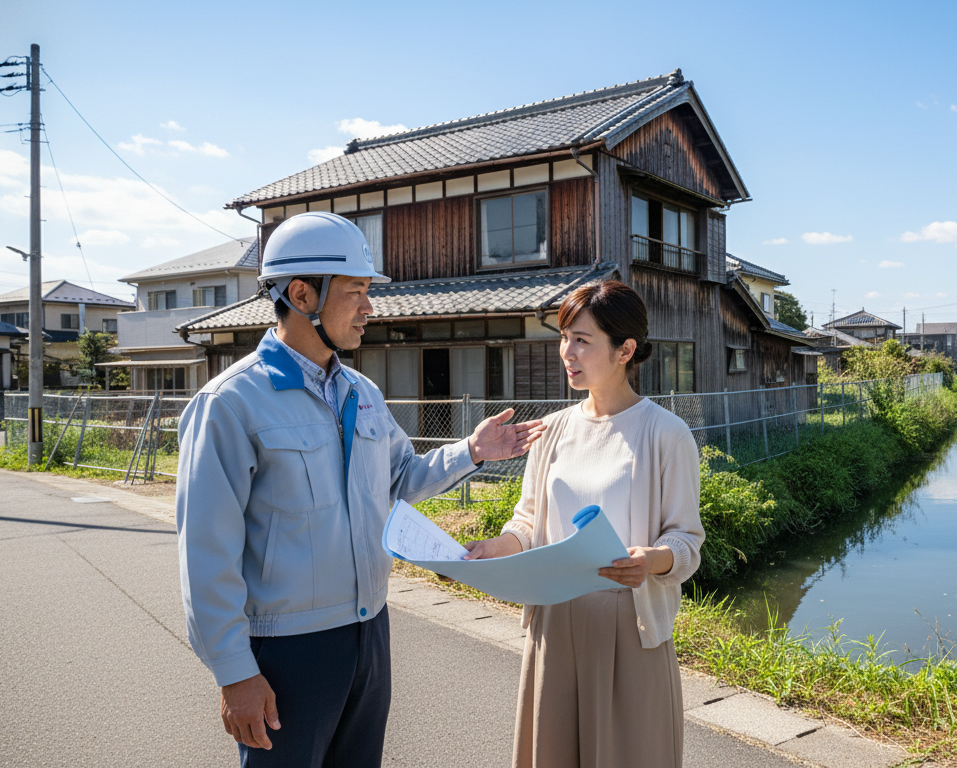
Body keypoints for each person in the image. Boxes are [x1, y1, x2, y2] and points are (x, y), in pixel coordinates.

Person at [176, 211, 546, 768]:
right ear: (302, 294)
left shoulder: (362, 392)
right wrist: (235, 673)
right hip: (285, 649)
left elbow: (401, 479)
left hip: (369, 633)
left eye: (368, 292)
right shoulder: (231, 403)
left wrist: (473, 450)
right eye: (356, 292)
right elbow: (206, 553)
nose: (370, 307)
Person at [463, 280, 704, 768]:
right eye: (564, 337)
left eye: (582, 340)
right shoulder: (552, 430)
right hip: (553, 618)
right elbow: (529, 523)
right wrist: (496, 548)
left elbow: (686, 540)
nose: (566, 352)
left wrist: (651, 561)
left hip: (628, 626)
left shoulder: (666, 433)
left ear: (626, 350)